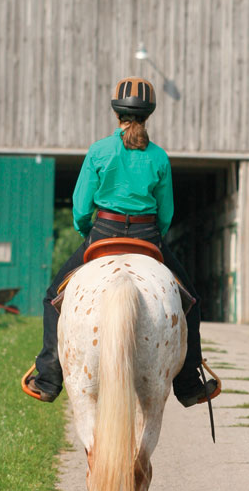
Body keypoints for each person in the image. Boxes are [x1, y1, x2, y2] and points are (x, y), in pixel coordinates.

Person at [25, 77, 219, 408]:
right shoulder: (158, 157)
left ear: (117, 114)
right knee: (191, 301)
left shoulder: (99, 150)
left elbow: (81, 205)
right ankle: (189, 383)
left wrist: (84, 229)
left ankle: (48, 376)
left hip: (102, 234)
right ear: (148, 116)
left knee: (52, 298)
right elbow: (166, 211)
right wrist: (155, 233)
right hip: (147, 236)